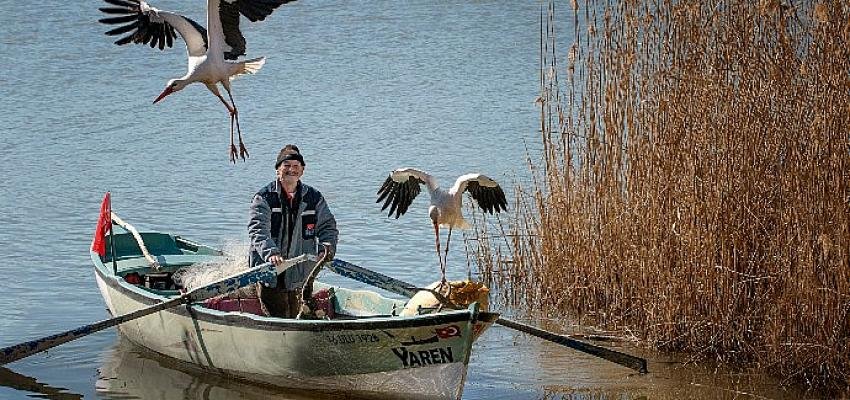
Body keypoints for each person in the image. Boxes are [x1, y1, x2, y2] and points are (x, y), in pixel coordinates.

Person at [248, 144, 338, 318]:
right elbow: (257, 230)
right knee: (279, 316)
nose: (291, 170)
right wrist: (271, 253)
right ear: (277, 170)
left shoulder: (314, 198)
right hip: (271, 272)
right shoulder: (264, 198)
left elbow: (328, 228)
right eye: (286, 166)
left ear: (302, 171)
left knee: (299, 313)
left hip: (301, 271)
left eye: (296, 166)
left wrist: (327, 248)